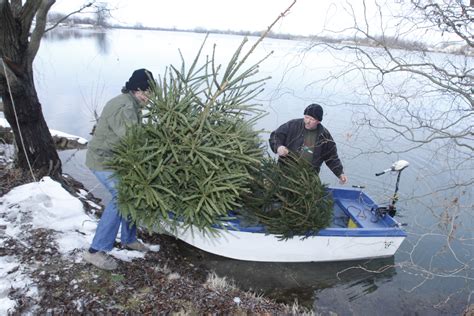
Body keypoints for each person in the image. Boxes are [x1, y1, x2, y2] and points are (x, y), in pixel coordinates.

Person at [83, 68, 156, 270]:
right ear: (139, 89)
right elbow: (132, 139)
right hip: (103, 160)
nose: (150, 98)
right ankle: (96, 251)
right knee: (122, 197)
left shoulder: (130, 103)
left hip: (116, 160)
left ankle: (129, 239)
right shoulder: (125, 106)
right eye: (149, 93)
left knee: (131, 193)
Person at [269, 103, 348, 184]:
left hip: (308, 178)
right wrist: (279, 147)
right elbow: (275, 136)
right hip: (285, 173)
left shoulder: (324, 136)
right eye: (306, 117)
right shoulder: (292, 125)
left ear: (318, 121)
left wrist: (340, 173)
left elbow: (331, 157)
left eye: (312, 119)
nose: (307, 121)